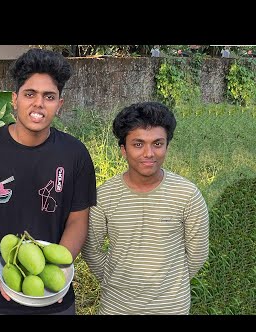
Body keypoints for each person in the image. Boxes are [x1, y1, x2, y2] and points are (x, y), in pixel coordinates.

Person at [0, 48, 97, 315]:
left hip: (53, 298)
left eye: (49, 97)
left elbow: (78, 220)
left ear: (59, 104)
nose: (39, 104)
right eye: (30, 94)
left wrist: (58, 271)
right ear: (15, 100)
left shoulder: (75, 155)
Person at [81, 101, 209, 315]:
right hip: (116, 307)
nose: (149, 153)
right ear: (123, 149)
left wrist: (169, 285)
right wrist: (114, 278)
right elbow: (91, 248)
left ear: (167, 146)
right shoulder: (104, 195)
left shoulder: (187, 194)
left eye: (157, 144)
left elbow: (197, 253)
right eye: (138, 144)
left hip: (171, 308)